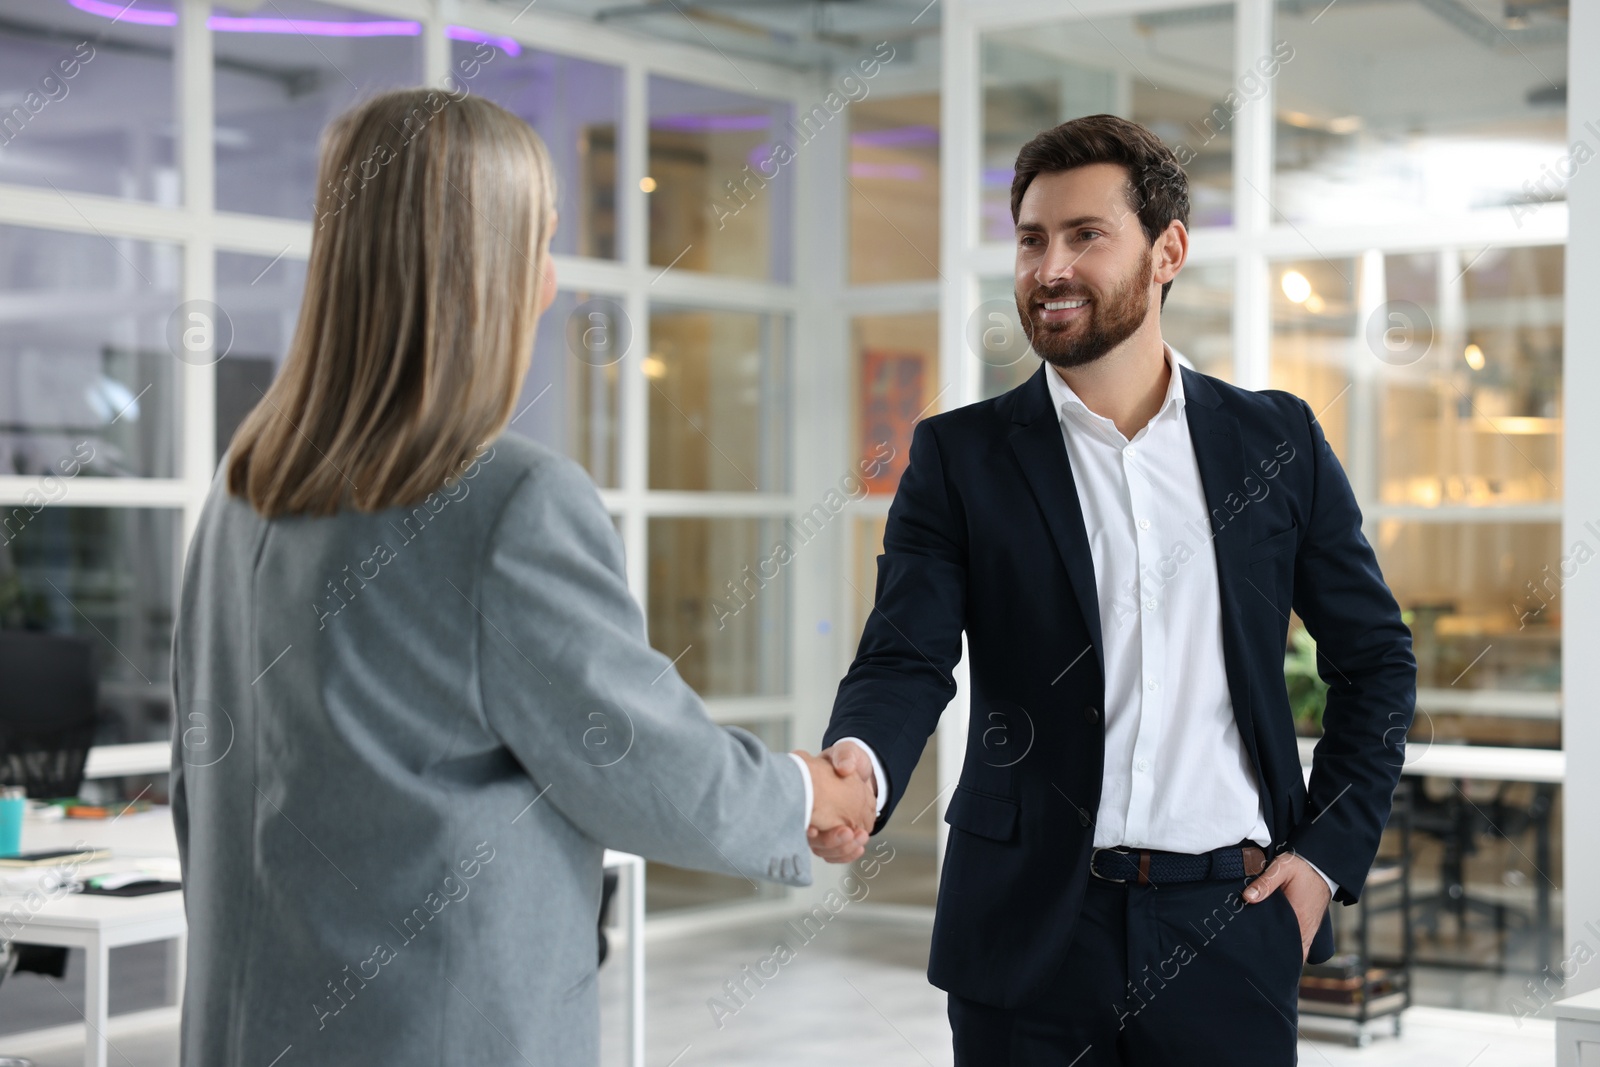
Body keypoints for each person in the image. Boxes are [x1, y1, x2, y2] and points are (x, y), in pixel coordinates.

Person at [169, 88, 873, 1066]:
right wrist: (806, 794)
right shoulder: (509, 501)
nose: (550, 285)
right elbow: (637, 758)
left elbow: (197, 784)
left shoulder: (243, 489)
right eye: (537, 244)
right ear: (476, 269)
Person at [809, 114, 1416, 1064]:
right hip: (1027, 939)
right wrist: (860, 768)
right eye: (1030, 239)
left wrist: (1322, 862)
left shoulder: (1276, 442)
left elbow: (1376, 662)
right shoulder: (961, 456)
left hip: (1232, 929)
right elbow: (907, 654)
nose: (1049, 268)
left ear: (1167, 250)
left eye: (1086, 236)